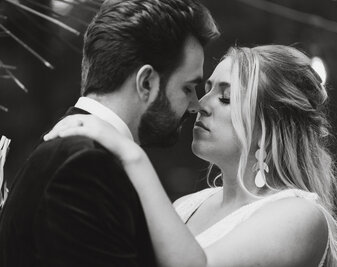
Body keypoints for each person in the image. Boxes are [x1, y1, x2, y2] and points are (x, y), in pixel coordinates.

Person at [45, 45, 337, 267]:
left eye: (225, 97)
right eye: (205, 89)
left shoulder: (299, 215)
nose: (199, 105)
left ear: (268, 124)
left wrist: (131, 155)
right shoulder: (186, 206)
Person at [0, 0, 219, 266]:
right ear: (146, 83)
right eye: (188, 88)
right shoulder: (85, 165)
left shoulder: (80, 151)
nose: (196, 105)